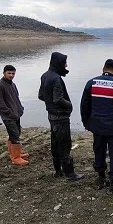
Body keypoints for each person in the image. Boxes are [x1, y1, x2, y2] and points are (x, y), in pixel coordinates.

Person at [80, 59, 113, 195]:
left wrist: (86, 123)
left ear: (103, 68)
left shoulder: (91, 83)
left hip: (97, 127)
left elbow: (84, 105)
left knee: (99, 151)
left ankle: (101, 177)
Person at [38, 52, 84, 181]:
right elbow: (58, 99)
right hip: (61, 117)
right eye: (64, 63)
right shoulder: (56, 78)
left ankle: (58, 170)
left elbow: (41, 96)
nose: (66, 65)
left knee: (55, 143)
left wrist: (50, 104)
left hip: (51, 116)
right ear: (59, 63)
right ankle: (70, 174)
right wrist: (69, 104)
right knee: (64, 145)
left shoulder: (45, 76)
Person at [0, 65, 29, 166]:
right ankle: (15, 158)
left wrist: (20, 108)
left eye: (13, 73)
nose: (11, 75)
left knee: (15, 133)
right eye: (9, 73)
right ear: (4, 73)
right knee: (15, 135)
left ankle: (15, 153)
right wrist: (9, 112)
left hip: (16, 114)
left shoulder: (12, 84)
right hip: (8, 116)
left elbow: (16, 98)